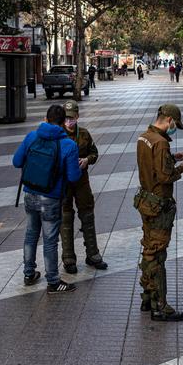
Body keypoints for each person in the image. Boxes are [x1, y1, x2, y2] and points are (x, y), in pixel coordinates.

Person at [13, 105, 82, 292]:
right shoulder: (68, 144)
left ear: (46, 118)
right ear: (62, 122)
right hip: (51, 197)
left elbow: (16, 161)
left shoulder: (31, 137)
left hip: (30, 193)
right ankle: (53, 281)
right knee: (50, 240)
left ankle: (29, 273)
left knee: (31, 234)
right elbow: (73, 177)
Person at [134, 104, 183, 321]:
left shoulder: (144, 137)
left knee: (149, 248)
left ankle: (147, 297)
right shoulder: (160, 143)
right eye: (175, 124)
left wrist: (172, 157)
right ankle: (161, 306)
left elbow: (152, 166)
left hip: (146, 201)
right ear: (168, 120)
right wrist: (182, 168)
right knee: (157, 254)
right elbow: (166, 176)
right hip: (159, 204)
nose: (174, 128)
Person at [60, 100, 108, 274]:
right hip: (64, 182)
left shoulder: (85, 134)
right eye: (66, 118)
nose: (69, 121)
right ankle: (68, 258)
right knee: (65, 218)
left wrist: (87, 160)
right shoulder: (58, 135)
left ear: (77, 117)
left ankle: (93, 254)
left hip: (82, 180)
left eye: (71, 118)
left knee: (87, 215)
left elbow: (94, 153)